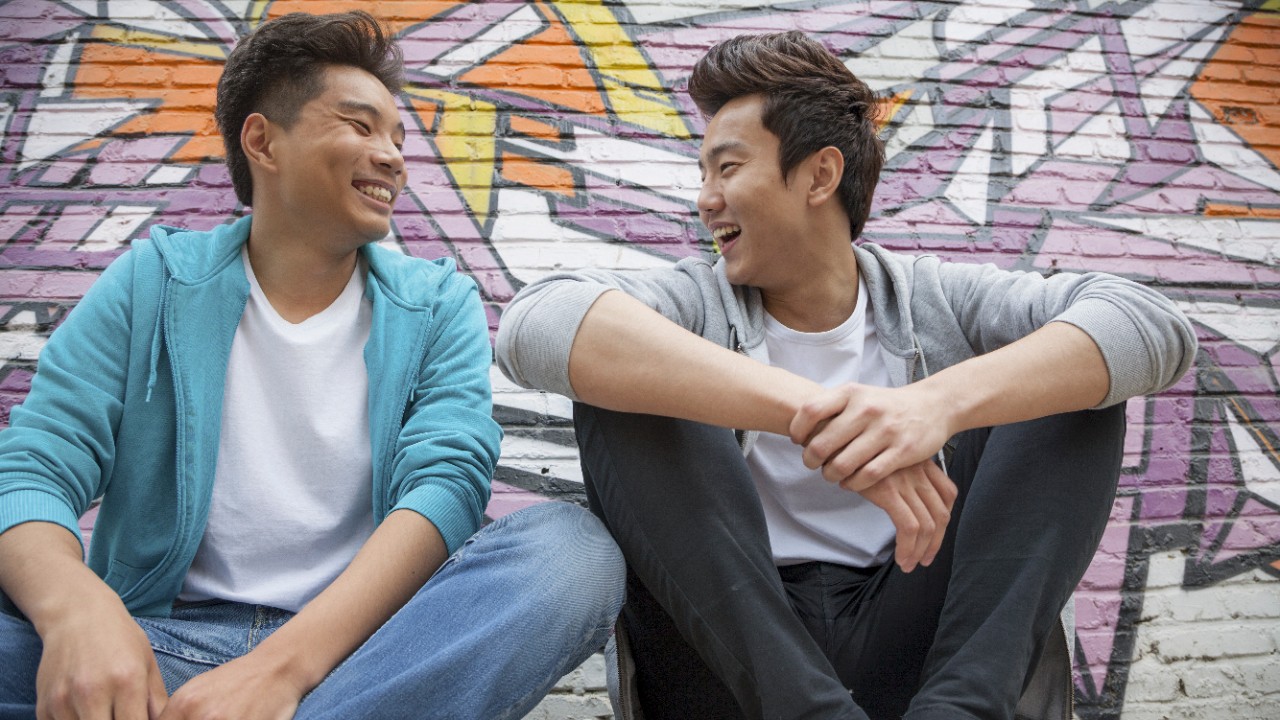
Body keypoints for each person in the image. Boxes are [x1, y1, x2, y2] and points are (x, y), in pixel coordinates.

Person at [496, 31, 1196, 720]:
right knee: (624, 387)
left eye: (728, 168)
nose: (706, 199)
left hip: (914, 635)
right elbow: (538, 324)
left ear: (820, 175)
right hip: (738, 658)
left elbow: (1148, 324)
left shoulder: (937, 298)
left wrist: (932, 407)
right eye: (703, 174)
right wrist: (825, 416)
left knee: (1074, 379)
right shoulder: (691, 302)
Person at [0, 12, 623, 720]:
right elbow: (34, 467)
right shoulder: (153, 283)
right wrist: (78, 614)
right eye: (360, 126)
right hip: (158, 651)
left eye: (397, 138)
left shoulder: (437, 304)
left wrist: (279, 674)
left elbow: (445, 488)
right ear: (262, 140)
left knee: (570, 555)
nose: (391, 156)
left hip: (361, 658)